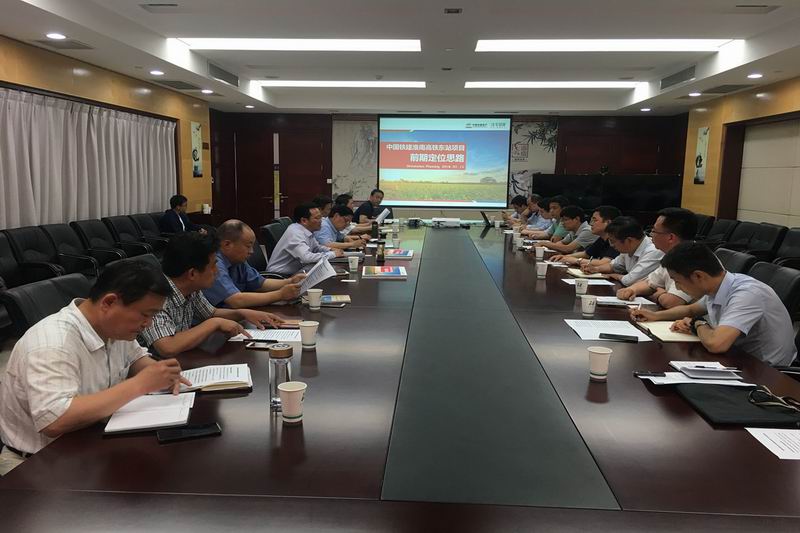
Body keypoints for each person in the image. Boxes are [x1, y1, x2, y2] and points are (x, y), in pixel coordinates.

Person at [0, 262, 191, 475]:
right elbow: (55, 420)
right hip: (36, 464)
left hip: (87, 446)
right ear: (109, 302)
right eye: (145, 315)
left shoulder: (114, 328)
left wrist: (161, 373)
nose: (149, 324)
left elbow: (136, 359)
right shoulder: (53, 343)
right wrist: (139, 385)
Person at [631, 242, 797, 366]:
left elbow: (717, 344)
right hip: (737, 359)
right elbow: (690, 309)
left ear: (698, 276)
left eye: (678, 281)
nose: (678, 288)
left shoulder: (747, 294)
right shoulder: (718, 286)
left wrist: (697, 323)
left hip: (765, 372)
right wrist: (655, 316)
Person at [138, 232, 285, 357]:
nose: (217, 271)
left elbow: (211, 313)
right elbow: (167, 347)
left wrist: (243, 313)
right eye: (213, 265)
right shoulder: (155, 295)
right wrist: (214, 323)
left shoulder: (191, 288)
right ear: (192, 274)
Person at [203, 220, 305, 308]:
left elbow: (260, 284)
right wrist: (280, 295)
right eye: (248, 246)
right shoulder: (213, 263)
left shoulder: (237, 260)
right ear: (227, 244)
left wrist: (289, 281)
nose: (251, 251)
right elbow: (235, 300)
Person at [617, 208, 697, 308]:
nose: (651, 235)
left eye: (654, 231)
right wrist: (632, 290)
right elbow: (650, 283)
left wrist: (659, 294)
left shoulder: (691, 258)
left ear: (670, 237)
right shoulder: (672, 254)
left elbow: (672, 302)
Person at [266, 204, 344, 277]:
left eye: (321, 217)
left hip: (298, 271)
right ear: (304, 221)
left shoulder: (307, 230)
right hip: (280, 275)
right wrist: (333, 254)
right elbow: (307, 258)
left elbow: (316, 248)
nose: (321, 221)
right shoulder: (295, 233)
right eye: (317, 218)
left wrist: (330, 250)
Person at [582, 216, 663, 286]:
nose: (611, 245)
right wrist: (595, 269)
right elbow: (614, 266)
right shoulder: (629, 248)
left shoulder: (653, 251)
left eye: (613, 241)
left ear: (629, 240)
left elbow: (630, 280)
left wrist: (616, 276)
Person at [551, 205, 621, 266]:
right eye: (591, 220)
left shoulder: (618, 240)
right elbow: (586, 254)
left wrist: (576, 260)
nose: (591, 224)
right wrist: (564, 257)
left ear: (608, 222)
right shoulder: (602, 239)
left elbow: (603, 263)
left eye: (595, 220)